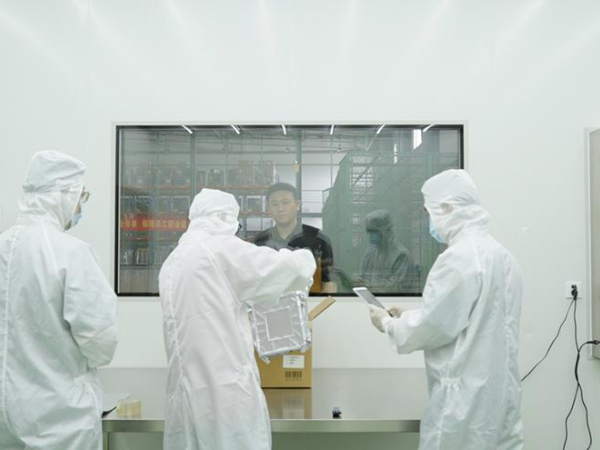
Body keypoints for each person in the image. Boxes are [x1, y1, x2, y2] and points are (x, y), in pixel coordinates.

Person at [369, 169, 524, 450]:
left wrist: (388, 324)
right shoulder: (502, 256)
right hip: (498, 391)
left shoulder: (459, 258)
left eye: (429, 212)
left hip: (463, 399)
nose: (429, 221)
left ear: (448, 208)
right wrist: (407, 315)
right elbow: (467, 317)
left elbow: (434, 326)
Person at [159, 188, 315, 450]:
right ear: (224, 217)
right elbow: (290, 270)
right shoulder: (220, 249)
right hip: (225, 392)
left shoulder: (173, 261)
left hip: (186, 394)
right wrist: (305, 257)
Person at [0, 151, 118, 450]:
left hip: (6, 414)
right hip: (58, 415)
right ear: (63, 195)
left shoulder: (3, 245)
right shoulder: (70, 252)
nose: (80, 207)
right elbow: (100, 340)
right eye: (81, 197)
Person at [253, 182, 336, 293]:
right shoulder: (259, 243)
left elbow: (330, 284)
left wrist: (320, 303)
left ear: (297, 204)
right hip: (270, 302)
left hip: (309, 302)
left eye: (285, 202)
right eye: (274, 204)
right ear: (268, 208)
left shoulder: (319, 240)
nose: (280, 208)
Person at [357, 209, 416, 293]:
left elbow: (397, 288)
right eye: (369, 231)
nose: (371, 235)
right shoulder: (369, 253)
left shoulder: (401, 255)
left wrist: (368, 286)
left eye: (375, 231)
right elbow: (361, 279)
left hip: (393, 301)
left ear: (387, 231)